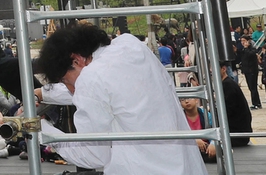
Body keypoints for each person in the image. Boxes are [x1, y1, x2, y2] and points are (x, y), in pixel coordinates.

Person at [34, 24, 205, 174]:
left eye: (65, 80)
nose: (70, 89)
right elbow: (108, 91)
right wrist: (44, 93)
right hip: (186, 165)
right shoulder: (129, 45)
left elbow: (92, 156)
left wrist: (40, 129)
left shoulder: (91, 79)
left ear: (77, 60)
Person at [219, 61, 252, 146]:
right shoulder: (227, 83)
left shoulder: (228, 85)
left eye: (213, 68)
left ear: (223, 69)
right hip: (238, 132)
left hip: (237, 135)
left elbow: (228, 111)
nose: (211, 71)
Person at [180, 97, 217, 163]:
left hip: (206, 146)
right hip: (189, 146)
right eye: (182, 100)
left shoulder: (206, 115)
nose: (186, 101)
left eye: (189, 98)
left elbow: (214, 131)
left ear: (196, 100)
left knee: (216, 150)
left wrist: (213, 144)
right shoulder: (180, 117)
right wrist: (194, 139)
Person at [238, 35, 262, 110]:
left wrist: (246, 48)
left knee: (253, 87)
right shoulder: (244, 50)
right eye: (241, 41)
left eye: (244, 41)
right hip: (247, 70)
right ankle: (256, 102)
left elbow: (251, 55)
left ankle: (255, 103)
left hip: (252, 70)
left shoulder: (251, 48)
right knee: (251, 87)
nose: (242, 42)